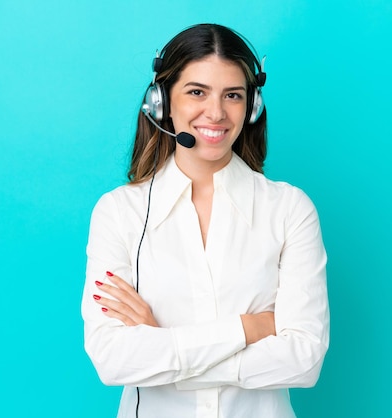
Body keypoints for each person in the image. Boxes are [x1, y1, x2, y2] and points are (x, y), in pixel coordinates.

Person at [81, 23, 329, 418]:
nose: (215, 113)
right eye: (197, 92)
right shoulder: (119, 213)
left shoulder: (289, 209)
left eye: (233, 95)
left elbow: (304, 360)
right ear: (160, 102)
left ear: (252, 106)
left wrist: (164, 347)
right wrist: (249, 329)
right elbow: (113, 360)